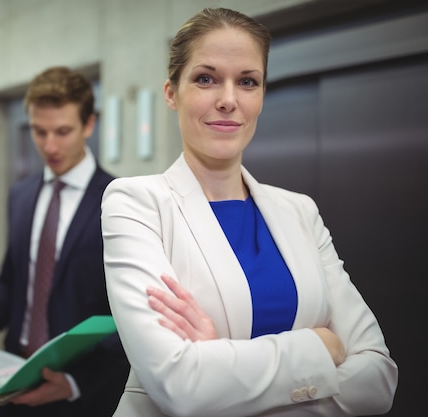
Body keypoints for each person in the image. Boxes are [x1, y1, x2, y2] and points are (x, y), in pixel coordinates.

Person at [101, 7, 398, 417]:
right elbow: (180, 386)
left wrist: (222, 363)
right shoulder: (136, 203)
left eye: (247, 82)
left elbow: (378, 379)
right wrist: (321, 348)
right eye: (206, 79)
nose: (228, 100)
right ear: (172, 92)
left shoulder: (300, 211)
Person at [0, 66, 129, 417]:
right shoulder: (21, 196)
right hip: (13, 388)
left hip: (83, 396)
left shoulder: (120, 201)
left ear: (89, 124)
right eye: (39, 131)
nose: (49, 146)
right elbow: (12, 283)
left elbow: (131, 316)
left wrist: (74, 383)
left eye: (63, 131)